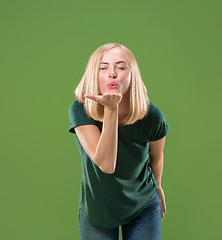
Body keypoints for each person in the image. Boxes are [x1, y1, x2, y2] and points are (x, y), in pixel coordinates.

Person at [68, 43, 169, 240]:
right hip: (98, 209)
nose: (112, 73)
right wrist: (111, 110)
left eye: (121, 67)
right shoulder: (80, 110)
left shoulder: (152, 116)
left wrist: (157, 187)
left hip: (143, 206)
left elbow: (155, 157)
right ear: (93, 75)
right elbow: (106, 163)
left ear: (133, 76)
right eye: (103, 68)